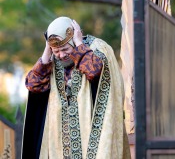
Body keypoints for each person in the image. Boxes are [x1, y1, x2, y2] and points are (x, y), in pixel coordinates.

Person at [22, 16, 131, 159]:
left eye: (65, 49)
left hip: (91, 137)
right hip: (60, 144)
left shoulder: (98, 48)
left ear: (74, 38)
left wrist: (79, 44)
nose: (61, 55)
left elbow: (94, 70)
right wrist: (47, 52)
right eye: (56, 51)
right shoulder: (52, 60)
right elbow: (33, 85)